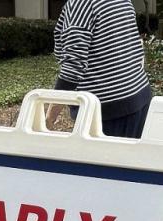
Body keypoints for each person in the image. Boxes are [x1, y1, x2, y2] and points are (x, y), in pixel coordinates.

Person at [47, 0, 151, 138]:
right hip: (139, 95)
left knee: (102, 159)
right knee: (129, 158)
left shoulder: (81, 4)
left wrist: (49, 118)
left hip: (107, 110)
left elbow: (73, 68)